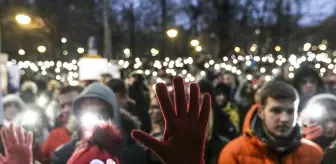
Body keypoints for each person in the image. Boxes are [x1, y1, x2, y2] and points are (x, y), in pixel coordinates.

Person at [218, 80, 324, 164]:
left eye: (290, 111)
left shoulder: (314, 153)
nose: (284, 119)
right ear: (261, 112)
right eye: (276, 111)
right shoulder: (234, 153)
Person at [51, 82, 121, 164]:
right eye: (85, 107)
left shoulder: (132, 152)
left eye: (99, 108)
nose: (66, 110)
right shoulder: (64, 153)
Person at [40, 86, 82, 163]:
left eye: (71, 104)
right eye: (62, 106)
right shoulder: (54, 135)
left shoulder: (98, 136)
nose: (66, 110)